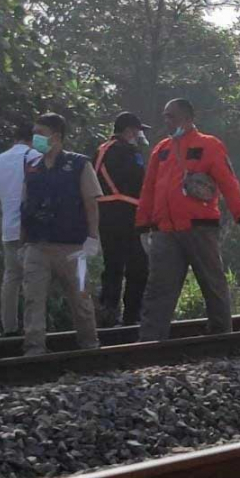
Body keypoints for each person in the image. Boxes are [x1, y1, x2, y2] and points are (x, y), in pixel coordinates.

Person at [136, 98, 240, 341]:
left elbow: (228, 183)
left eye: (171, 116)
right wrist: (143, 225)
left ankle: (221, 337)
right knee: (158, 289)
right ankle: (149, 343)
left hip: (199, 229)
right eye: (165, 116)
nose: (167, 120)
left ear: (188, 118)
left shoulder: (209, 145)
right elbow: (148, 189)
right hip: (166, 231)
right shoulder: (161, 150)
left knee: (212, 285)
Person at [20, 113, 102, 356]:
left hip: (74, 248)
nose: (36, 139)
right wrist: (22, 243)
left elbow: (91, 202)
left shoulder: (79, 164)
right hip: (37, 246)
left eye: (40, 134)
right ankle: (34, 349)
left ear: (56, 137)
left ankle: (90, 345)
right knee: (33, 299)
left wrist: (93, 237)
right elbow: (25, 206)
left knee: (81, 298)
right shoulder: (32, 166)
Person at [93, 112, 151, 327]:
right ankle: (132, 315)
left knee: (113, 265)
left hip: (105, 213)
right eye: (138, 130)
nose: (139, 135)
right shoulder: (127, 151)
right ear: (129, 130)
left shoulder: (100, 150)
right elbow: (140, 180)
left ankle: (108, 312)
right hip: (127, 212)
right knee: (138, 266)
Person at [0, 123, 41, 336]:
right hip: (34, 231)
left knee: (11, 279)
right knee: (34, 280)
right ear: (33, 138)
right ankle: (32, 328)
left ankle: (9, 327)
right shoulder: (36, 157)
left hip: (9, 229)